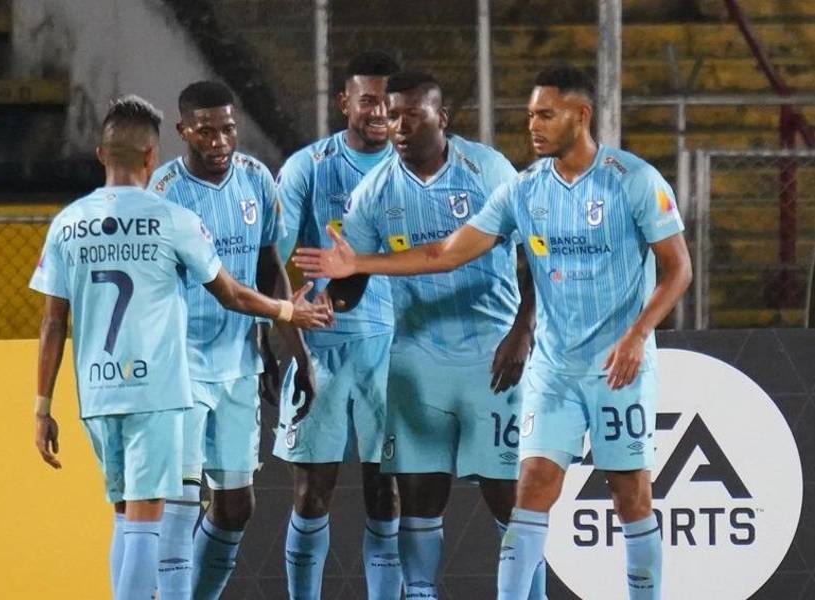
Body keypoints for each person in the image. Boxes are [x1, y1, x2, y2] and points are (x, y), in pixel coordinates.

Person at [294, 65, 693, 600]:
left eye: (545, 115)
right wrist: (349, 273)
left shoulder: (630, 179)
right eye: (530, 115)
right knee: (519, 496)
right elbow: (444, 253)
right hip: (526, 371)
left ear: (581, 115)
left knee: (628, 496)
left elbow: (678, 268)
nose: (534, 126)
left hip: (588, 366)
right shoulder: (523, 190)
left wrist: (634, 333)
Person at [29, 95, 330, 600]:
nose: (218, 142)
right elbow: (230, 291)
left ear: (101, 154)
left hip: (99, 392)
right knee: (154, 518)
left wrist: (42, 407)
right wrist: (286, 313)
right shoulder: (169, 214)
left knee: (127, 515)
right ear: (154, 154)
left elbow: (53, 322)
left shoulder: (66, 223)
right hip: (162, 386)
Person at [298, 70, 543, 599]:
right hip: (415, 362)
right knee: (418, 505)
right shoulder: (374, 192)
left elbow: (538, 257)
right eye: (391, 113)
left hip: (492, 356)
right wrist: (326, 301)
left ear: (442, 118)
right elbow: (352, 279)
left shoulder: (488, 170)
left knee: (511, 503)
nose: (396, 124)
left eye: (412, 114)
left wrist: (524, 329)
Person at [148, 81, 318, 599]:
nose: (219, 140)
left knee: (235, 506)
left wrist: (294, 354)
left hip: (239, 366)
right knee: (178, 509)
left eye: (227, 128)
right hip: (179, 369)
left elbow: (271, 270)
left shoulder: (256, 179)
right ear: (182, 132)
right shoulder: (163, 192)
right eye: (205, 131)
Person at [273, 51, 404, 599]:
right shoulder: (309, 165)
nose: (378, 112)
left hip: (390, 351)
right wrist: (290, 336)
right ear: (344, 101)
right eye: (366, 99)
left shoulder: (411, 169)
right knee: (311, 493)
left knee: (385, 491)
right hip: (322, 350)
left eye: (387, 102)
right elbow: (269, 261)